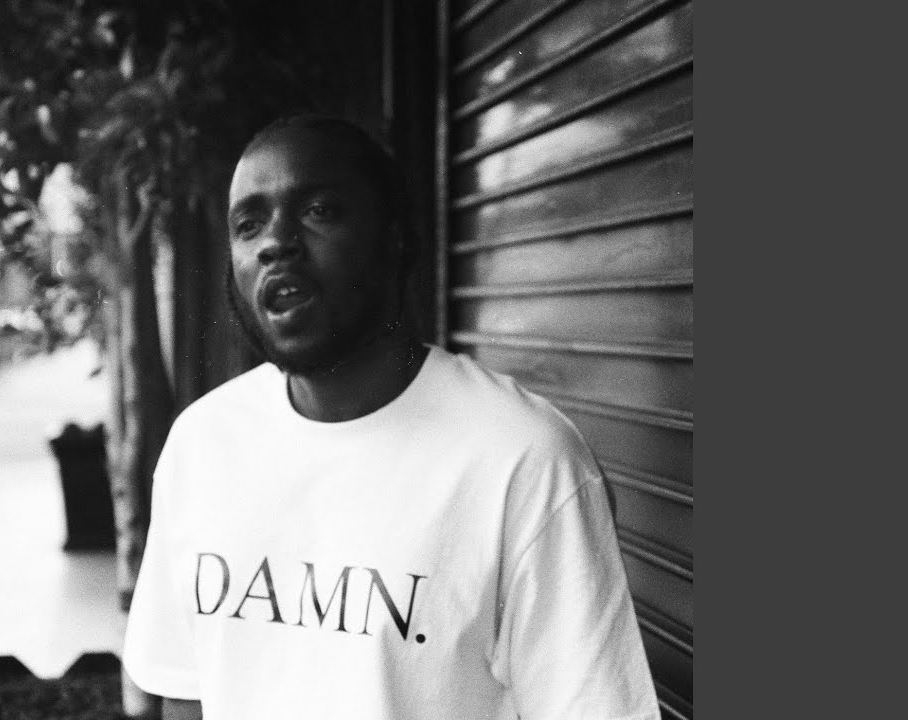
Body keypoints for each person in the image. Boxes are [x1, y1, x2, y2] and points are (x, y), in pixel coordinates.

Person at [122, 115, 659, 720]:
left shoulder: (523, 460)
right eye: (249, 224)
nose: (275, 242)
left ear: (396, 241)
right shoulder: (202, 444)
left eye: (319, 210)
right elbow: (184, 689)